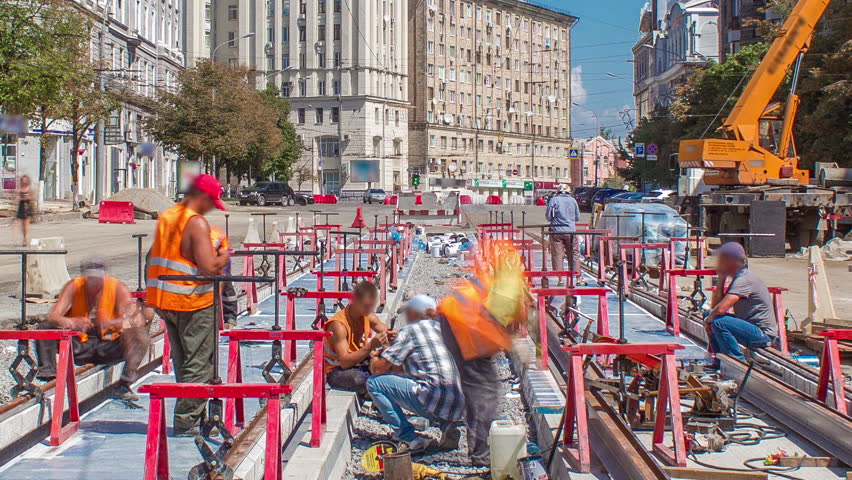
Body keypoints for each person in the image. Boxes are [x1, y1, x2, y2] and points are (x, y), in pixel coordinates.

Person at [146, 174, 230, 436]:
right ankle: (187, 422)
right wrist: (224, 256)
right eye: (212, 202)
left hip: (166, 301)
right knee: (199, 362)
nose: (213, 207)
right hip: (192, 301)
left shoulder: (168, 217)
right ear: (202, 197)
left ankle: (193, 413)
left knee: (183, 361)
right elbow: (207, 267)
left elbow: (154, 256)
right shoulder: (196, 223)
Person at [36, 257, 149, 400]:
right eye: (90, 280)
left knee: (139, 335)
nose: (94, 284)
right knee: (45, 328)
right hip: (80, 344)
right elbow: (52, 316)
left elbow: (138, 319)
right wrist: (70, 321)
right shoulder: (74, 286)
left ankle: (124, 383)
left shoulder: (117, 288)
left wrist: (112, 323)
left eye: (98, 280)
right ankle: (49, 374)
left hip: (108, 344)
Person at [368, 295, 465, 453]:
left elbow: (378, 369)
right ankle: (447, 424)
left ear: (415, 313)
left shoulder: (410, 331)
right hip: (459, 402)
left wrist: (378, 353)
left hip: (433, 397)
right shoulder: (443, 329)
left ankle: (409, 437)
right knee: (428, 378)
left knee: (374, 383)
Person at [705, 242, 778, 364]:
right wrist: (721, 280)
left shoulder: (744, 279)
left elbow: (722, 309)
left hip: (762, 334)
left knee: (718, 322)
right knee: (709, 314)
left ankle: (736, 363)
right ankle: (719, 362)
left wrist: (708, 321)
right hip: (749, 328)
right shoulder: (737, 278)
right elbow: (715, 307)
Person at [323, 281, 392, 396]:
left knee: (393, 365)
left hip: (358, 363)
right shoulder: (339, 325)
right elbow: (344, 363)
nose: (369, 310)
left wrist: (395, 337)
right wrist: (371, 346)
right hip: (337, 370)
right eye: (366, 306)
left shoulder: (366, 315)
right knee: (360, 380)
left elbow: (386, 331)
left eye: (371, 306)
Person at [546, 183, 582, 285]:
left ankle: (560, 279)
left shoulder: (554, 200)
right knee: (574, 253)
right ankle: (578, 277)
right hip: (570, 231)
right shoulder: (573, 201)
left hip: (556, 231)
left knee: (557, 254)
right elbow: (577, 217)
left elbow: (548, 216)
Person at [15, 175, 34, 246]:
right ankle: (24, 238)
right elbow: (15, 197)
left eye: (25, 180)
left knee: (25, 224)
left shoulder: (29, 189)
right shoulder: (19, 188)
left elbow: (31, 197)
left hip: (27, 207)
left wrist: (23, 198)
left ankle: (25, 239)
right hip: (21, 207)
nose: (24, 181)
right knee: (22, 225)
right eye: (22, 180)